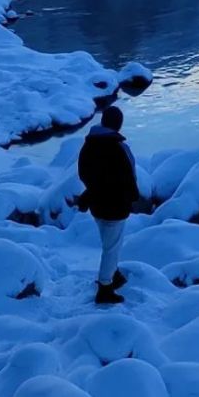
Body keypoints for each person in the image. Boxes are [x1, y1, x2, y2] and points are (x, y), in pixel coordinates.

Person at [76, 104, 139, 305]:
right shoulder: (118, 148)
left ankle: (113, 273)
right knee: (112, 247)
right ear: (118, 125)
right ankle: (105, 288)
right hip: (116, 205)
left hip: (97, 204)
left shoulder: (89, 145)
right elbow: (129, 177)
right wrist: (132, 197)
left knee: (108, 243)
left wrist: (93, 192)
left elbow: (84, 173)